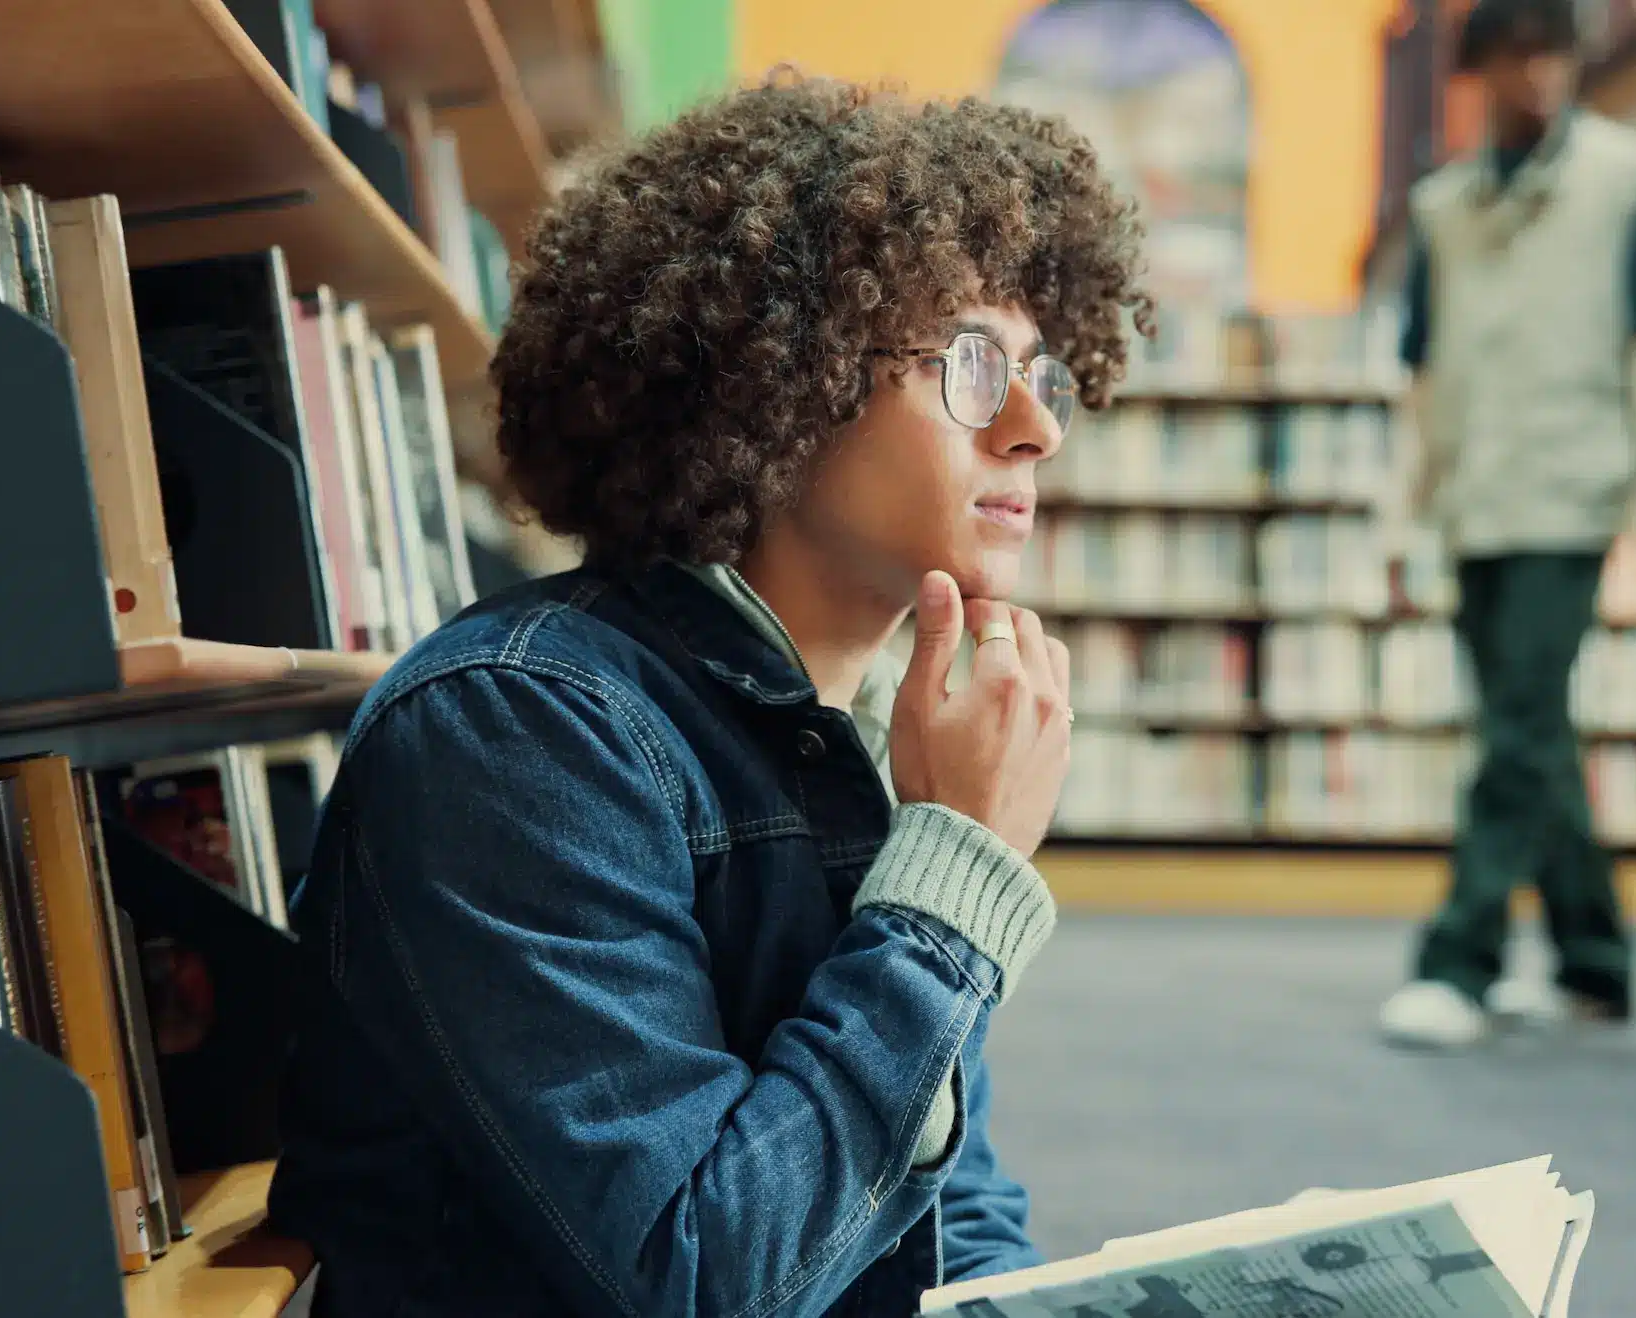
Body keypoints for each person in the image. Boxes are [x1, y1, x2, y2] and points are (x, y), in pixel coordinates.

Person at [265, 73, 1150, 1316]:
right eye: (966, 363)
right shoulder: (516, 727)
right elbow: (700, 1282)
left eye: (1040, 374)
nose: (1031, 430)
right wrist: (954, 880)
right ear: (773, 378)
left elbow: (949, 1207)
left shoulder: (872, 734)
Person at [1377, 0, 1636, 1050]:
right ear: (1477, 72)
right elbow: (1422, 381)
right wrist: (1400, 518)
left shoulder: (1624, 181)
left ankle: (1458, 964)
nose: (1537, 77)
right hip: (1477, 500)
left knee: (1516, 731)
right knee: (1535, 733)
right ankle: (1596, 961)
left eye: (1553, 54)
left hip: (1573, 499)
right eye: (1516, 57)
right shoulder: (1440, 209)